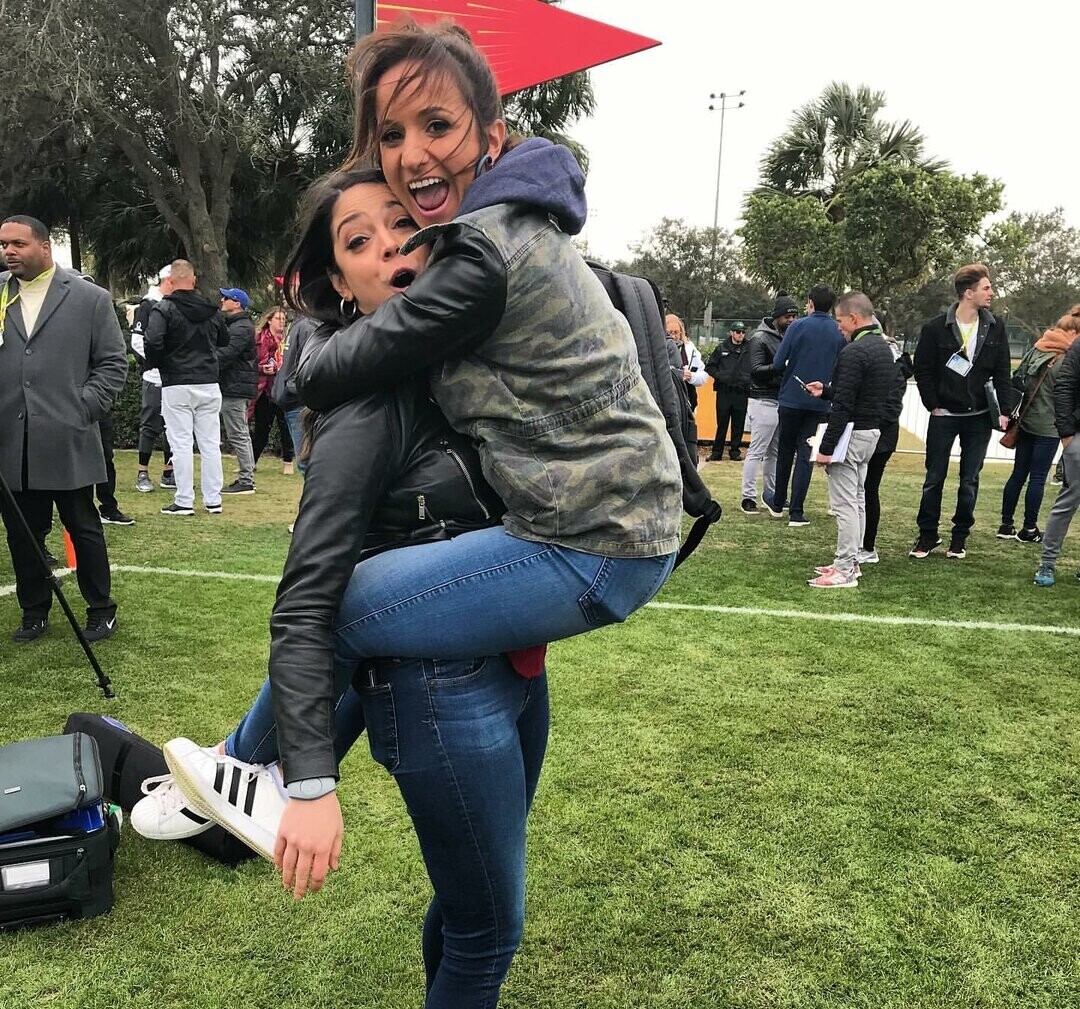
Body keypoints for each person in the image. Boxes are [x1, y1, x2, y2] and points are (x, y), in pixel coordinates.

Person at [269, 20, 680, 904]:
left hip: (591, 542)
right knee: (482, 909)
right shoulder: (499, 224)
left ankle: (247, 771)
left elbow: (328, 372)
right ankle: (254, 772)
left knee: (342, 609)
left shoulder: (478, 252)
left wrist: (298, 359)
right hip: (602, 529)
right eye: (391, 134)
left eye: (438, 126)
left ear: (492, 136)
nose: (413, 154)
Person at [135, 168, 547, 1009]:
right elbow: (310, 601)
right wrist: (313, 784)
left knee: (469, 904)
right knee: (489, 931)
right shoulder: (368, 400)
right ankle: (244, 765)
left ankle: (238, 760)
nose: (391, 246)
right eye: (360, 241)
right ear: (340, 282)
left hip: (512, 664)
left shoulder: (464, 360)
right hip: (441, 690)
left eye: (403, 222)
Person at [0, 215, 128, 642]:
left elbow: (113, 363)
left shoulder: (89, 298)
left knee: (83, 526)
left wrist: (83, 408)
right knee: (23, 532)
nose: (8, 251)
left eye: (18, 244)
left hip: (68, 436)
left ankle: (100, 608)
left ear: (44, 247)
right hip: (11, 440)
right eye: (3, 244)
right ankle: (34, 610)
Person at [910, 263, 1011, 560]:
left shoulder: (996, 326)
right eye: (986, 288)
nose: (992, 292)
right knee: (934, 478)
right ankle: (928, 534)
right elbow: (923, 370)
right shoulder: (934, 327)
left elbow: (1003, 372)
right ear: (968, 293)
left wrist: (1004, 410)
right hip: (944, 416)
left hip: (978, 418)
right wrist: (933, 404)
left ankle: (959, 537)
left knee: (970, 480)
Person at [805, 292, 896, 588]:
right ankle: (852, 561)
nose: (838, 326)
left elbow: (844, 406)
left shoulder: (854, 352)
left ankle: (844, 568)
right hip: (871, 434)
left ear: (854, 319)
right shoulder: (883, 348)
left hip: (851, 435)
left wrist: (825, 449)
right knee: (857, 501)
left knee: (845, 505)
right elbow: (859, 393)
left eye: (840, 320)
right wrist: (828, 390)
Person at [144, 259, 229, 517]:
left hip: (177, 381)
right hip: (208, 381)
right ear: (193, 280)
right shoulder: (211, 309)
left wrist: (158, 363)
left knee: (180, 442)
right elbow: (224, 339)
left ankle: (184, 500)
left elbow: (153, 341)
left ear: (170, 282)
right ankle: (213, 500)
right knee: (210, 443)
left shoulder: (164, 308)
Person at [766, 285, 844, 527]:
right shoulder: (838, 330)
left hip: (791, 396)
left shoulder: (797, 326)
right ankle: (797, 511)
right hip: (820, 401)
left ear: (810, 302)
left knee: (785, 450)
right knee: (806, 454)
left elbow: (778, 363)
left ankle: (778, 503)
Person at [998, 311, 1080, 542]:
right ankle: (1029, 528)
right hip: (1050, 424)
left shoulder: (1038, 348)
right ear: (1074, 332)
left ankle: (1005, 524)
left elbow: (1018, 377)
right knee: (1038, 477)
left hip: (1025, 420)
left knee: (1018, 474)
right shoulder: (1067, 357)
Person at [859, 326, 914, 565]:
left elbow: (891, 406)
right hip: (876, 433)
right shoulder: (891, 362)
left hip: (878, 436)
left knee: (867, 490)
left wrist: (868, 425)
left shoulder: (891, 365)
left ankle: (866, 545)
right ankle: (860, 543)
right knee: (862, 490)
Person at [740, 293, 798, 514]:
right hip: (763, 399)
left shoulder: (786, 336)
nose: (791, 320)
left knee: (774, 452)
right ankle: (748, 496)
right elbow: (756, 370)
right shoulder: (760, 338)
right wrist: (781, 367)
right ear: (776, 317)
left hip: (780, 399)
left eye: (794, 316)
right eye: (787, 316)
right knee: (757, 450)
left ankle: (770, 494)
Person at [1034, 310, 1080, 586]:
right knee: (1068, 501)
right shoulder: (1078, 346)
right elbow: (1064, 386)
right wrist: (1067, 434)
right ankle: (1047, 563)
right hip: (1077, 436)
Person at [130, 265, 176, 493]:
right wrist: (158, 361)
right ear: (168, 281)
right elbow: (137, 341)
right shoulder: (148, 306)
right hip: (154, 375)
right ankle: (142, 472)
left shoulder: (175, 305)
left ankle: (169, 473)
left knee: (172, 425)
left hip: (174, 377)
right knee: (149, 424)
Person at [217, 287, 258, 495]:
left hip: (235, 386)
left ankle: (246, 480)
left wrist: (202, 362)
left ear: (237, 303)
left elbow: (227, 353)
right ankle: (246, 476)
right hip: (234, 384)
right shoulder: (236, 325)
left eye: (226, 298)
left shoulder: (241, 327)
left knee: (238, 434)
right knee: (239, 433)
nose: (222, 300)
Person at [249, 307, 295, 474]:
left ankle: (288, 461)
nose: (282, 322)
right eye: (278, 319)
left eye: (284, 319)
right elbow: (249, 361)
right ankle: (251, 462)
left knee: (285, 427)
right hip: (263, 389)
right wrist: (262, 368)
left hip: (282, 388)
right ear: (269, 320)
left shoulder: (288, 340)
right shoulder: (258, 338)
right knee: (262, 428)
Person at [704, 321, 750, 461]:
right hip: (724, 391)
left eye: (743, 332)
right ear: (731, 333)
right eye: (738, 332)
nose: (741, 334)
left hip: (741, 391)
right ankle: (717, 452)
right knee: (722, 423)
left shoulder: (749, 348)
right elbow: (710, 367)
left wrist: (747, 379)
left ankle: (735, 451)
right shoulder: (721, 348)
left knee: (738, 423)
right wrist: (721, 376)